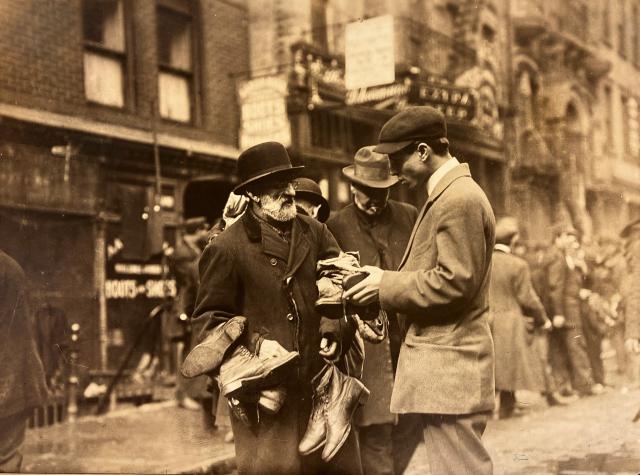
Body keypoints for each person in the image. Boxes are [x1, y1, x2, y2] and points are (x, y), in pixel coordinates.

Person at [192, 142, 361, 474]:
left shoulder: (314, 230)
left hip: (321, 394)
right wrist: (255, 348)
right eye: (276, 185)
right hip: (267, 404)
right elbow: (209, 322)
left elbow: (342, 282)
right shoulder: (227, 248)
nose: (288, 191)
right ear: (253, 194)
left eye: (289, 182)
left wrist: (334, 322)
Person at [344, 106, 496, 475]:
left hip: (450, 371)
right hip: (446, 371)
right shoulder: (448, 196)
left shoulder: (458, 199)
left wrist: (385, 283)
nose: (394, 173)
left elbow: (454, 283)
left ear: (424, 151)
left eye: (398, 160)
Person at [326, 146, 421, 475]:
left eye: (382, 192)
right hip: (368, 343)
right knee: (377, 426)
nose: (374, 200)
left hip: (410, 336)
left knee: (413, 421)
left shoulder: (409, 216)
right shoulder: (335, 225)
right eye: (367, 192)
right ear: (353, 187)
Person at [488, 217, 552, 419]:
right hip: (510, 318)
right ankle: (507, 407)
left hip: (486, 317)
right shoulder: (518, 265)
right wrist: (543, 319)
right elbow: (528, 298)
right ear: (514, 240)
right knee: (509, 363)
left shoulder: (484, 262)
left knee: (492, 363)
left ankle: (493, 407)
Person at [0, 249, 49, 472]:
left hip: (8, 383)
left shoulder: (5, 268)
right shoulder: (9, 266)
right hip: (15, 381)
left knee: (5, 460)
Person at [545, 224, 601, 397]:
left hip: (564, 310)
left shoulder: (560, 256)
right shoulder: (557, 257)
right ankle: (584, 385)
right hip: (567, 311)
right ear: (558, 237)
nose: (571, 241)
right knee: (576, 346)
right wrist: (560, 312)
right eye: (567, 237)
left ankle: (566, 386)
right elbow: (556, 287)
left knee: (563, 348)